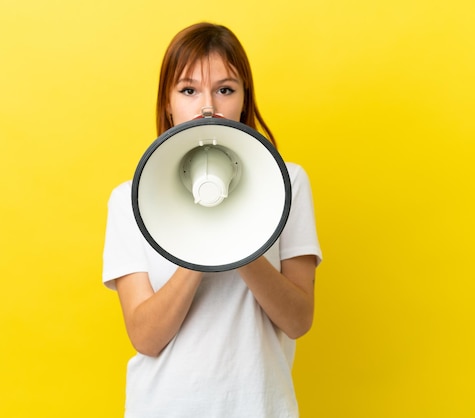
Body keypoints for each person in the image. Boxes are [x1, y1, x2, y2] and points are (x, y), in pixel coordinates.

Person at [102, 22, 322, 418]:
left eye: (225, 89)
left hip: (262, 407)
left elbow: (297, 320)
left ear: (243, 98)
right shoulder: (129, 200)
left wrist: (240, 236)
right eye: (188, 90)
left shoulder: (288, 184)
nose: (207, 107)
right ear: (167, 103)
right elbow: (146, 338)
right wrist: (200, 239)